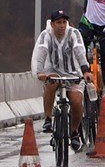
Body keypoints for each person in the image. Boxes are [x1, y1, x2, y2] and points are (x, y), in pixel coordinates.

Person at [33, 10, 94, 152]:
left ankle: (74, 132)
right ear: (52, 24)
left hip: (73, 73)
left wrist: (85, 71)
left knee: (77, 101)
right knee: (50, 84)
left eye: (64, 22)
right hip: (53, 71)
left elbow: (80, 51)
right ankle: (48, 119)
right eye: (58, 22)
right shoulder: (46, 35)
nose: (62, 26)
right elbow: (41, 53)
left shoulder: (74, 33)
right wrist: (40, 72)